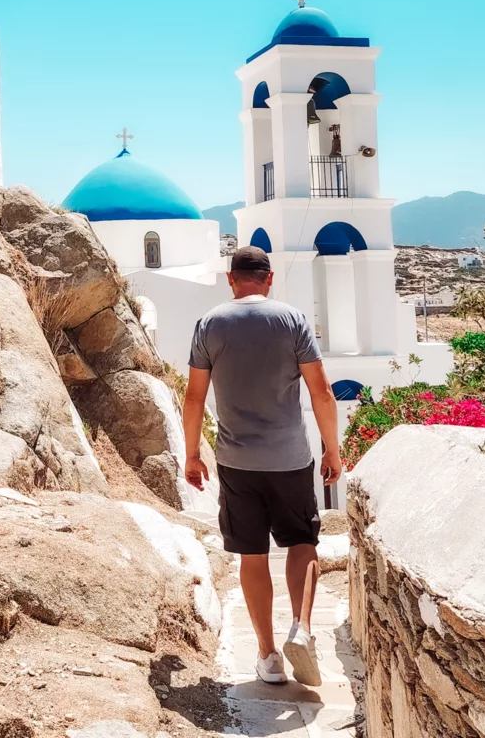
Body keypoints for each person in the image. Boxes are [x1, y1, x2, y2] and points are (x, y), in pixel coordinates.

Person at [181, 245, 342, 687]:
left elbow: (194, 396)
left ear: (231, 280)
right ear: (269, 279)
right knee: (302, 544)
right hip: (290, 458)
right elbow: (321, 392)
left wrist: (192, 454)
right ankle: (303, 628)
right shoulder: (292, 321)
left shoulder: (210, 324)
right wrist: (333, 449)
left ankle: (269, 656)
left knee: (252, 556)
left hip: (236, 461)